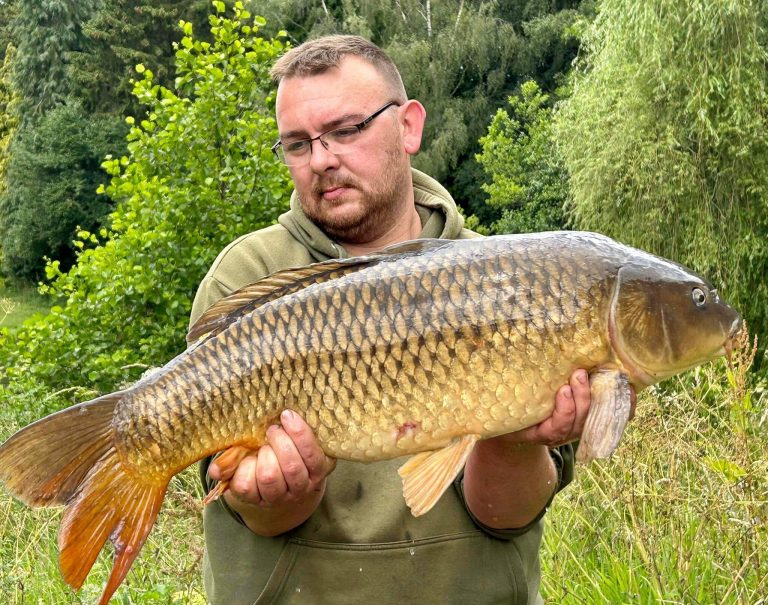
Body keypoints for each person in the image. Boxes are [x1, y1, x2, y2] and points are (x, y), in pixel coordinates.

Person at [189, 35, 599, 605]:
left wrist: (513, 440)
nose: (323, 159)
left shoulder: (512, 281)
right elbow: (261, 518)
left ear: (409, 126)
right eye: (298, 144)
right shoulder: (251, 275)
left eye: (346, 130)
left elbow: (504, 516)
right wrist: (281, 490)